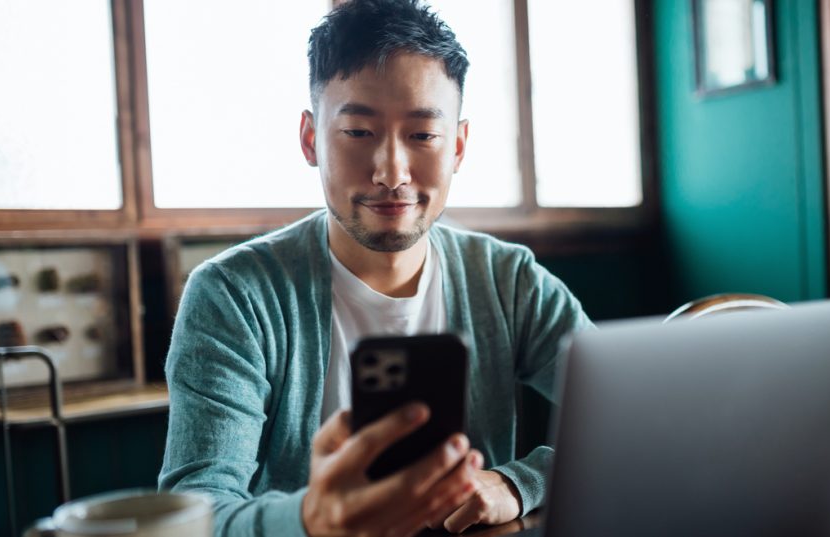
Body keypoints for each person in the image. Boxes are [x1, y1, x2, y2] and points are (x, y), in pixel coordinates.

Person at [158, 1, 592, 535]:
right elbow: (195, 511)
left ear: (457, 145)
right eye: (359, 132)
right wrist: (312, 518)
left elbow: (627, 422)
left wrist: (517, 483)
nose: (391, 172)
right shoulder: (234, 296)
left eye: (423, 135)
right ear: (311, 139)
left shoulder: (510, 281)